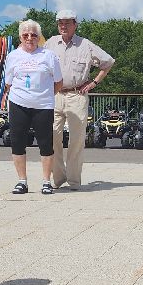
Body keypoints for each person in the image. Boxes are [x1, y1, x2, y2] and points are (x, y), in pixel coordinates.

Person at [46, 10, 113, 190]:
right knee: (52, 136)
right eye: (60, 22)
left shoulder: (86, 45)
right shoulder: (50, 44)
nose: (63, 26)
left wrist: (94, 82)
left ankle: (74, 180)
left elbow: (108, 63)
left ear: (75, 25)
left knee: (76, 140)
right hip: (54, 95)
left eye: (67, 22)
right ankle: (58, 178)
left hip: (77, 95)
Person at [3, 20, 63, 194]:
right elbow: (8, 83)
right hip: (18, 104)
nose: (29, 38)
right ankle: (22, 181)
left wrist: (44, 95)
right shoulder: (13, 56)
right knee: (17, 142)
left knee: (45, 143)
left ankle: (46, 181)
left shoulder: (48, 55)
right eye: (25, 35)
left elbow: (58, 83)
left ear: (39, 37)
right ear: (20, 37)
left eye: (33, 35)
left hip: (43, 105)